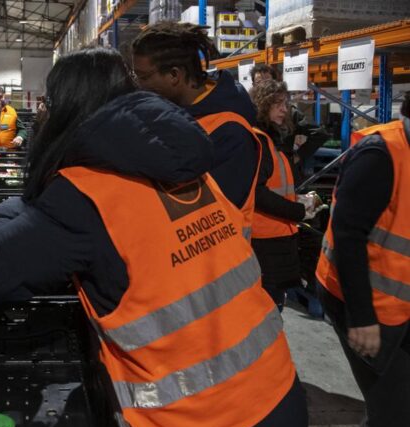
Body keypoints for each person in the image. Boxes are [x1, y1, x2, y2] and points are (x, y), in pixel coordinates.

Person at [0, 47, 320, 427]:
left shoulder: (84, 192)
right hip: (277, 394)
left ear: (66, 106)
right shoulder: (185, 166)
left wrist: (18, 205)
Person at [316, 94, 410, 427]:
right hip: (362, 301)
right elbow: (348, 239)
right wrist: (362, 317)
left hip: (399, 298)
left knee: (401, 404)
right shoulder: (380, 155)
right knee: (390, 414)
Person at [130, 21, 261, 239]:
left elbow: (198, 214)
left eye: (143, 77)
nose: (138, 85)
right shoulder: (174, 113)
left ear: (174, 75)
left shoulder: (230, 132)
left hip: (215, 264)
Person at [249, 79, 321, 310]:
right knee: (268, 310)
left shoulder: (272, 141)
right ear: (262, 105)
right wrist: (298, 210)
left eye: (285, 103)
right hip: (265, 242)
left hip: (278, 237)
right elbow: (258, 194)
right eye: (277, 104)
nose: (284, 109)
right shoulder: (259, 140)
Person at [250, 63, 329, 180]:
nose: (263, 85)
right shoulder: (248, 114)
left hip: (284, 176)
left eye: (267, 81)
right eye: (259, 82)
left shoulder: (289, 112)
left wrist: (297, 156)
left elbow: (320, 133)